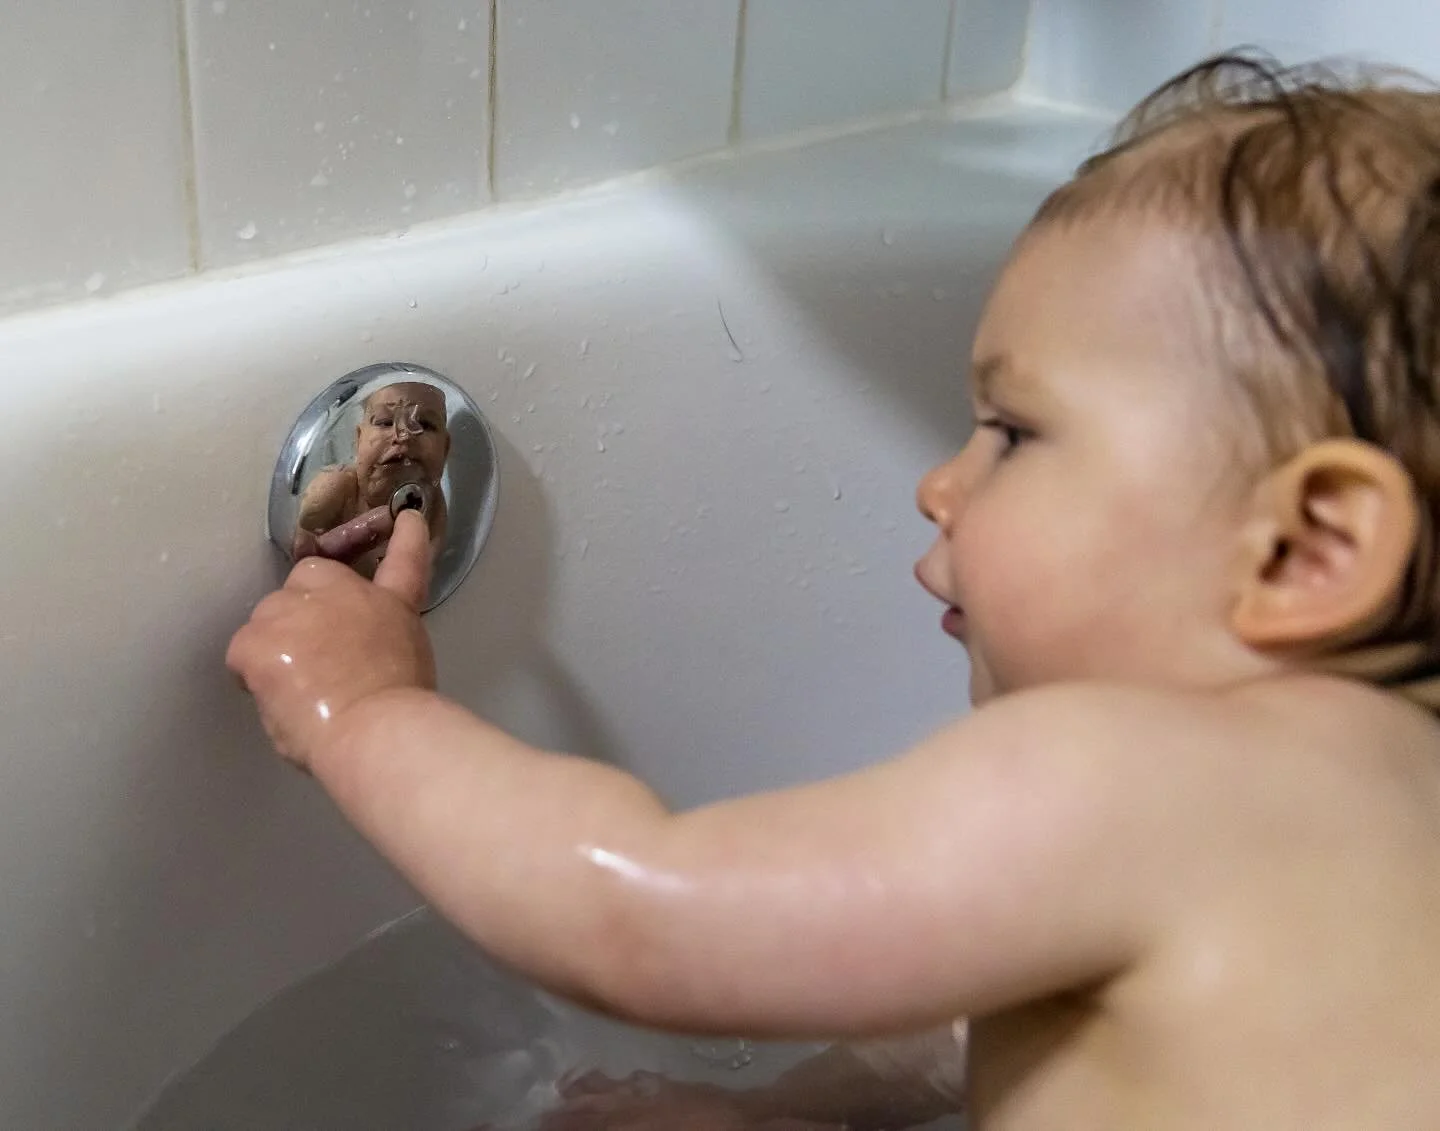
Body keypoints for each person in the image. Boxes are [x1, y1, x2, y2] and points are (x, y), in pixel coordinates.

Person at [227, 53, 1440, 1129]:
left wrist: (364, 712)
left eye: (1014, 434)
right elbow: (980, 1019)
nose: (938, 484)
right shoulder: (1374, 793)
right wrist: (782, 1110)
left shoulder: (1149, 780)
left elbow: (648, 924)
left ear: (1308, 548)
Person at [293, 380, 451, 573]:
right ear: (358, 439)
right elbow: (295, 548)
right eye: (385, 422)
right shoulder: (336, 490)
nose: (404, 436)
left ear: (445, 448)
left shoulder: (436, 506)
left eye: (425, 425)